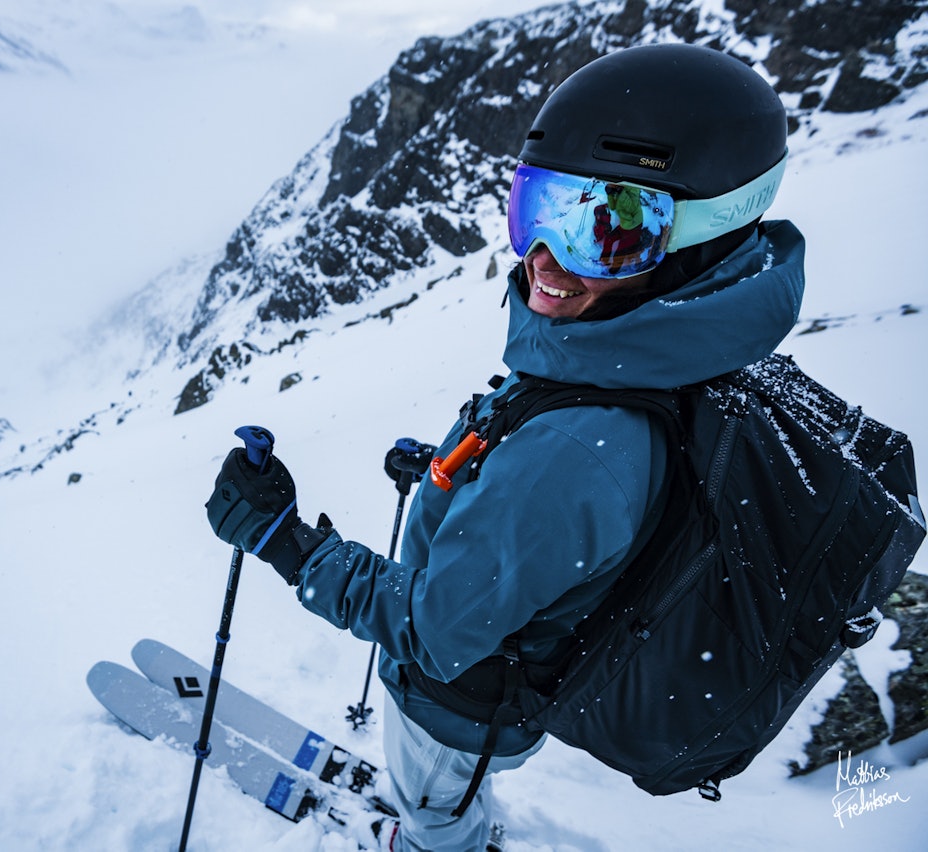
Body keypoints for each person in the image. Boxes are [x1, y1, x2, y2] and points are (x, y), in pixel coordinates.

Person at [205, 43, 803, 851]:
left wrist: (286, 542)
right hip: (515, 675)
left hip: (459, 706)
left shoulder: (575, 452)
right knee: (456, 789)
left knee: (434, 802)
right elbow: (567, 522)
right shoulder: (671, 361)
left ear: (703, 237)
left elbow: (430, 629)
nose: (548, 261)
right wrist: (459, 482)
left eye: (611, 231)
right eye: (539, 209)